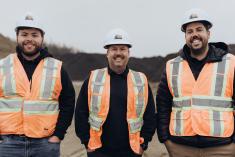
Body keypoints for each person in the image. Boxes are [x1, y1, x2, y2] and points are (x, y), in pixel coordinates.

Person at [156, 8, 235, 157]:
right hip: (181, 147)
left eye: (199, 29)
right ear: (185, 36)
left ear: (208, 33)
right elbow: (163, 106)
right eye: (189, 31)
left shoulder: (231, 63)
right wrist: (165, 140)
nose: (194, 35)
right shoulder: (172, 66)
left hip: (222, 148)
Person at [0, 12, 75, 157]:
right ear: (17, 37)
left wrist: (58, 135)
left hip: (45, 145)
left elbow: (68, 102)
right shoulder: (3, 66)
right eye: (24, 34)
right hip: (8, 145)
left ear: (42, 38)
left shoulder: (57, 68)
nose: (29, 39)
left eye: (34, 35)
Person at [75, 28, 156, 157]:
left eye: (123, 49)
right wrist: (86, 142)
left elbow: (150, 115)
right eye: (114, 49)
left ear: (129, 53)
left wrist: (144, 143)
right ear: (107, 53)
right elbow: (80, 112)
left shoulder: (141, 80)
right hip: (99, 151)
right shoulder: (93, 78)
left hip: (131, 151)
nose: (118, 53)